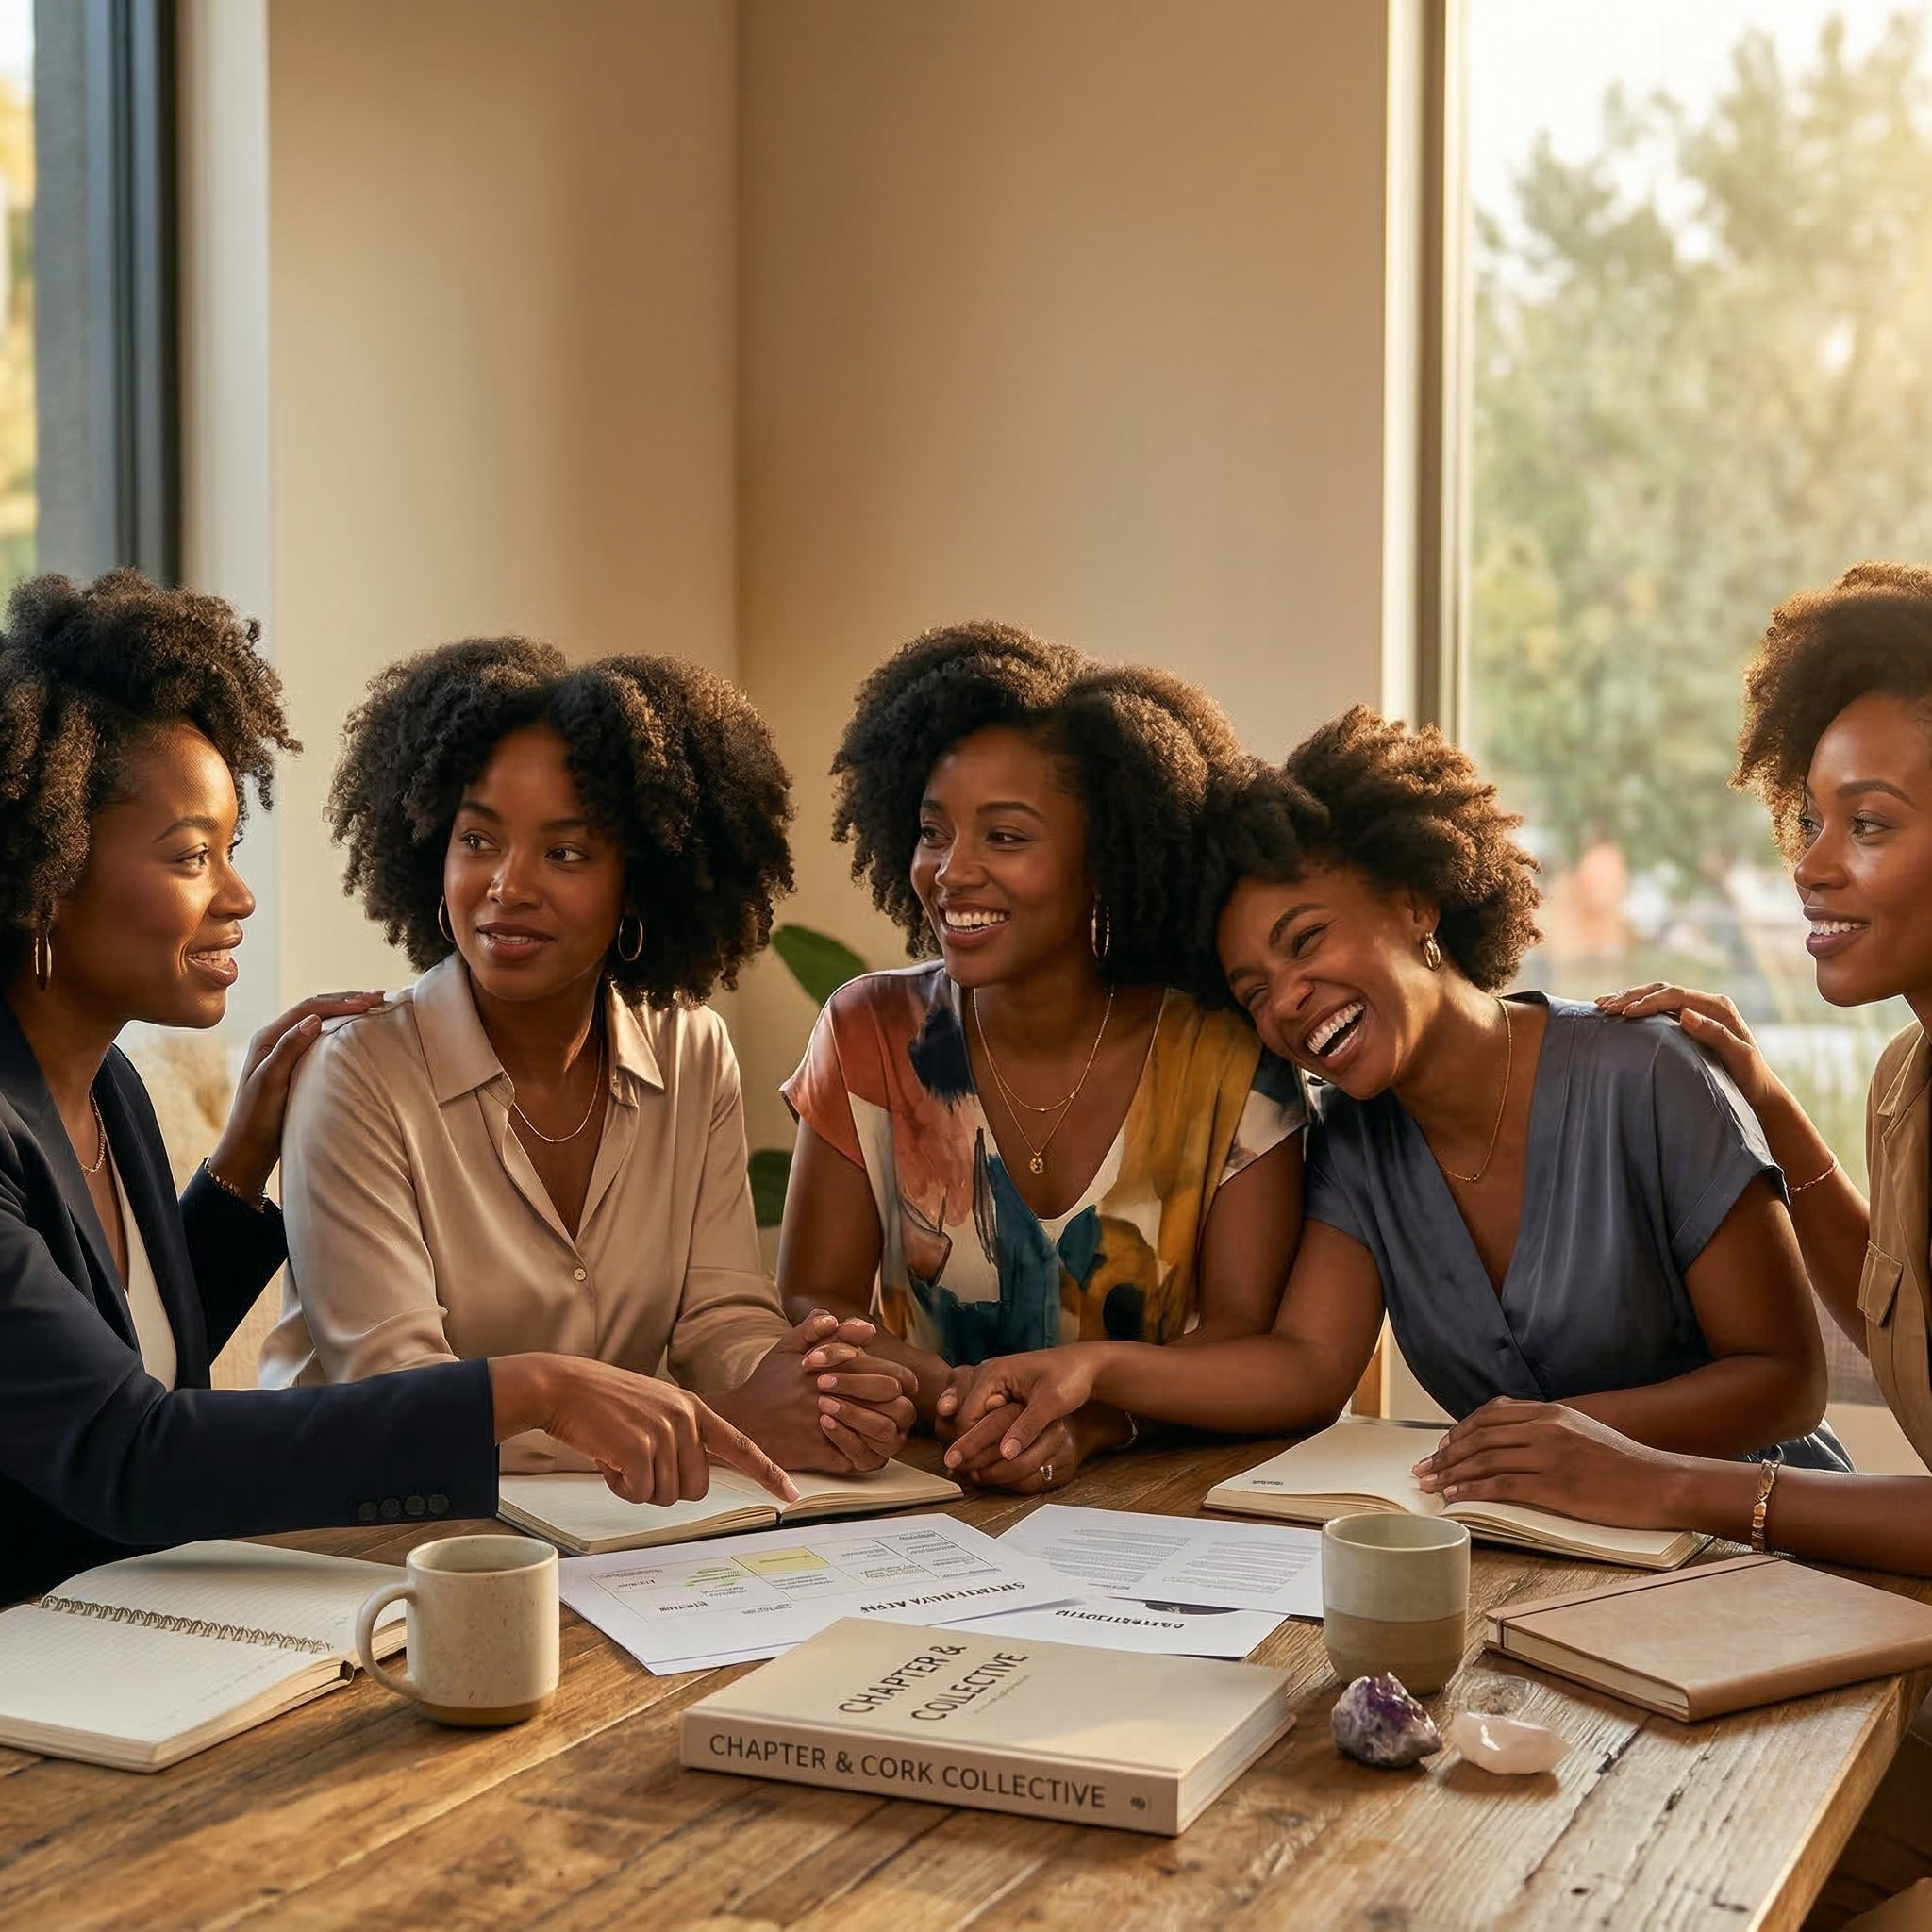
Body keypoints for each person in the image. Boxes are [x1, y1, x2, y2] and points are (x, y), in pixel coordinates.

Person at [0, 571, 794, 1604]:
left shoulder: (104, 1089)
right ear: (45, 860)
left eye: (230, 849)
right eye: (192, 856)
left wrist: (238, 1174)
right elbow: (131, 1452)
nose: (240, 895)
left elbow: (120, 1355)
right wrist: (533, 1387)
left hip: (136, 1627)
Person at [941, 707, 1845, 1475]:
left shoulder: (1651, 1073)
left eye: (1305, 941)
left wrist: (1584, 1436)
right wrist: (1093, 1369)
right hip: (1549, 1564)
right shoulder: (1353, 1143)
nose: (1286, 1000)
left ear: (1417, 903)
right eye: (1252, 990)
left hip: (1767, 1549)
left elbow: (1785, 1380)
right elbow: (1303, 1366)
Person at [261, 638, 916, 1474]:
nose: (509, 886)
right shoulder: (354, 1075)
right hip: (365, 1538)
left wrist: (811, 1389)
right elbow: (406, 1397)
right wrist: (723, 1422)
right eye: (478, 840)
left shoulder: (690, 1049)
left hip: (605, 1534)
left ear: (639, 882)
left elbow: (719, 1314)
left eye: (564, 852)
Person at [1417, 562, 1932, 1562]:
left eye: (1867, 824)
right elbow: (1898, 1338)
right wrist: (1765, 1100)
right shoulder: (1903, 1079)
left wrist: (1669, 1482)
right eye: (1811, 818)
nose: (1811, 864)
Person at [776, 622, 1308, 1494]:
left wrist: (1095, 1420)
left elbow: (1245, 1333)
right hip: (924, 1495)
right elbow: (814, 1300)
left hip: (1169, 1502)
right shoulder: (867, 1030)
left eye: (1006, 837)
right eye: (932, 831)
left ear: (1105, 859)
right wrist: (949, 1397)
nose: (951, 872)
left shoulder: (1223, 1055)